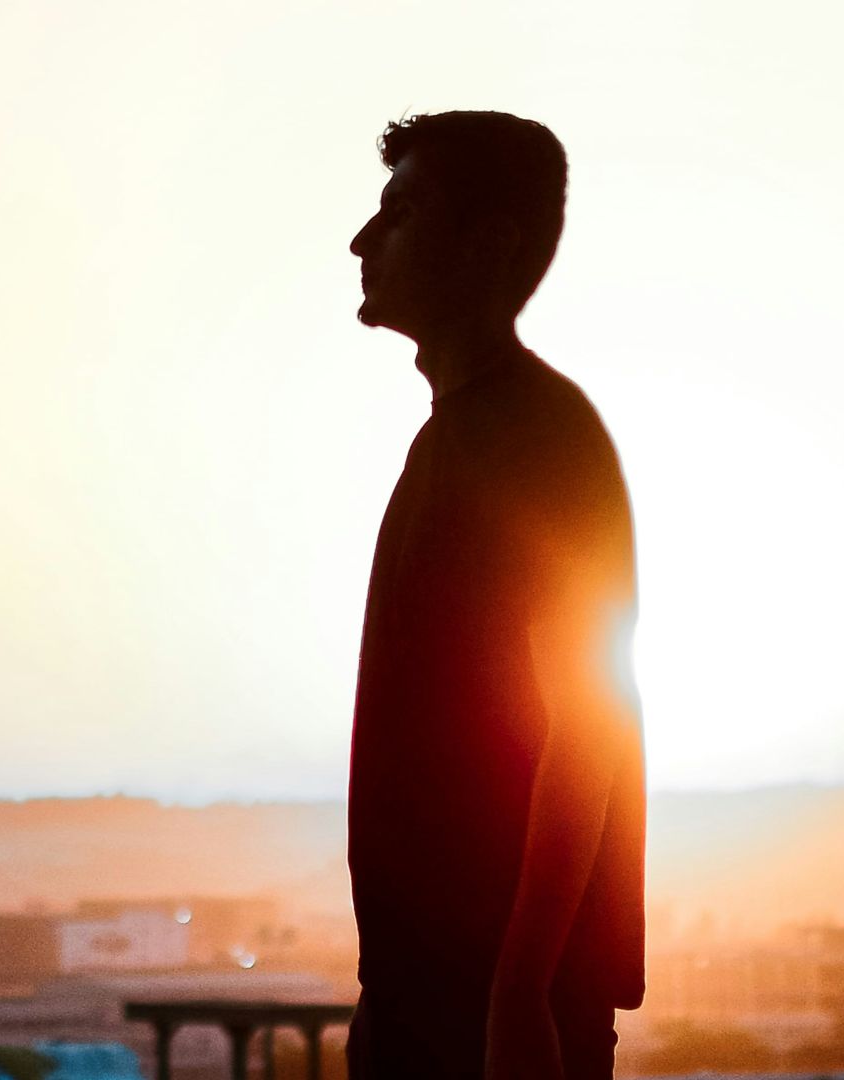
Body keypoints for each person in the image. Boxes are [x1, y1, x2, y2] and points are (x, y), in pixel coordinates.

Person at [344, 111, 646, 1080]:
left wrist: (518, 995)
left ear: (486, 246)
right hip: (429, 1002)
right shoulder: (452, 440)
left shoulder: (541, 442)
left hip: (496, 1015)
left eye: (400, 212)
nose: (363, 239)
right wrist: (385, 996)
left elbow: (587, 722)